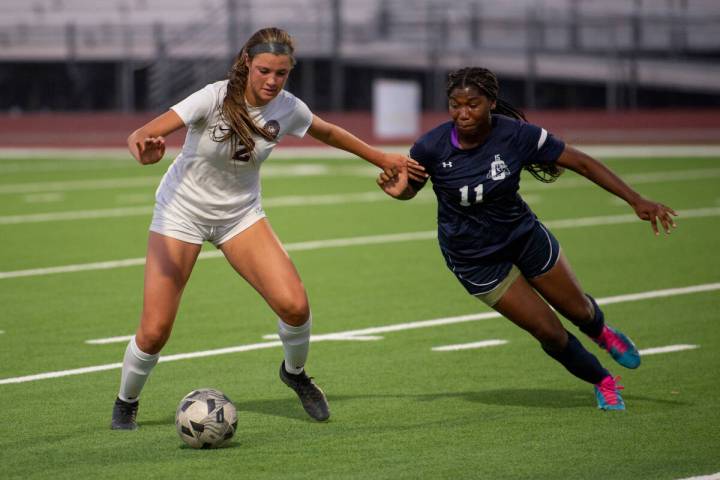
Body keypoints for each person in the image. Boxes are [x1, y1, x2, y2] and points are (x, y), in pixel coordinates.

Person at [111, 27, 413, 429]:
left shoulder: (287, 108)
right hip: (180, 212)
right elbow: (141, 135)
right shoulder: (213, 97)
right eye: (265, 70)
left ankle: (295, 374)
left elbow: (329, 132)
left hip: (240, 216)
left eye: (281, 73)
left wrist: (381, 158)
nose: (272, 81)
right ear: (247, 64)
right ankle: (126, 401)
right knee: (154, 331)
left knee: (295, 305)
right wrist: (145, 152)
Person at [377, 67, 678, 411]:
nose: (462, 113)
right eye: (454, 105)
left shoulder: (517, 135)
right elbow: (408, 190)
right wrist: (395, 190)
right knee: (549, 332)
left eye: (472, 104)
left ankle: (601, 332)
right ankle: (604, 381)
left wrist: (635, 199)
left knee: (577, 309)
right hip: (474, 258)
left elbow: (581, 163)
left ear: (491, 102)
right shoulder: (430, 146)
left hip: (523, 237)